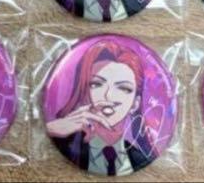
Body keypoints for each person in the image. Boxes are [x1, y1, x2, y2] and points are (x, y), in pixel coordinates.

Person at [45, 39, 161, 174]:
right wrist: (51, 128)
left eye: (123, 88)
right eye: (96, 84)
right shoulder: (62, 146)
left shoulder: (141, 158)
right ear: (83, 92)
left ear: (135, 104)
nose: (108, 96)